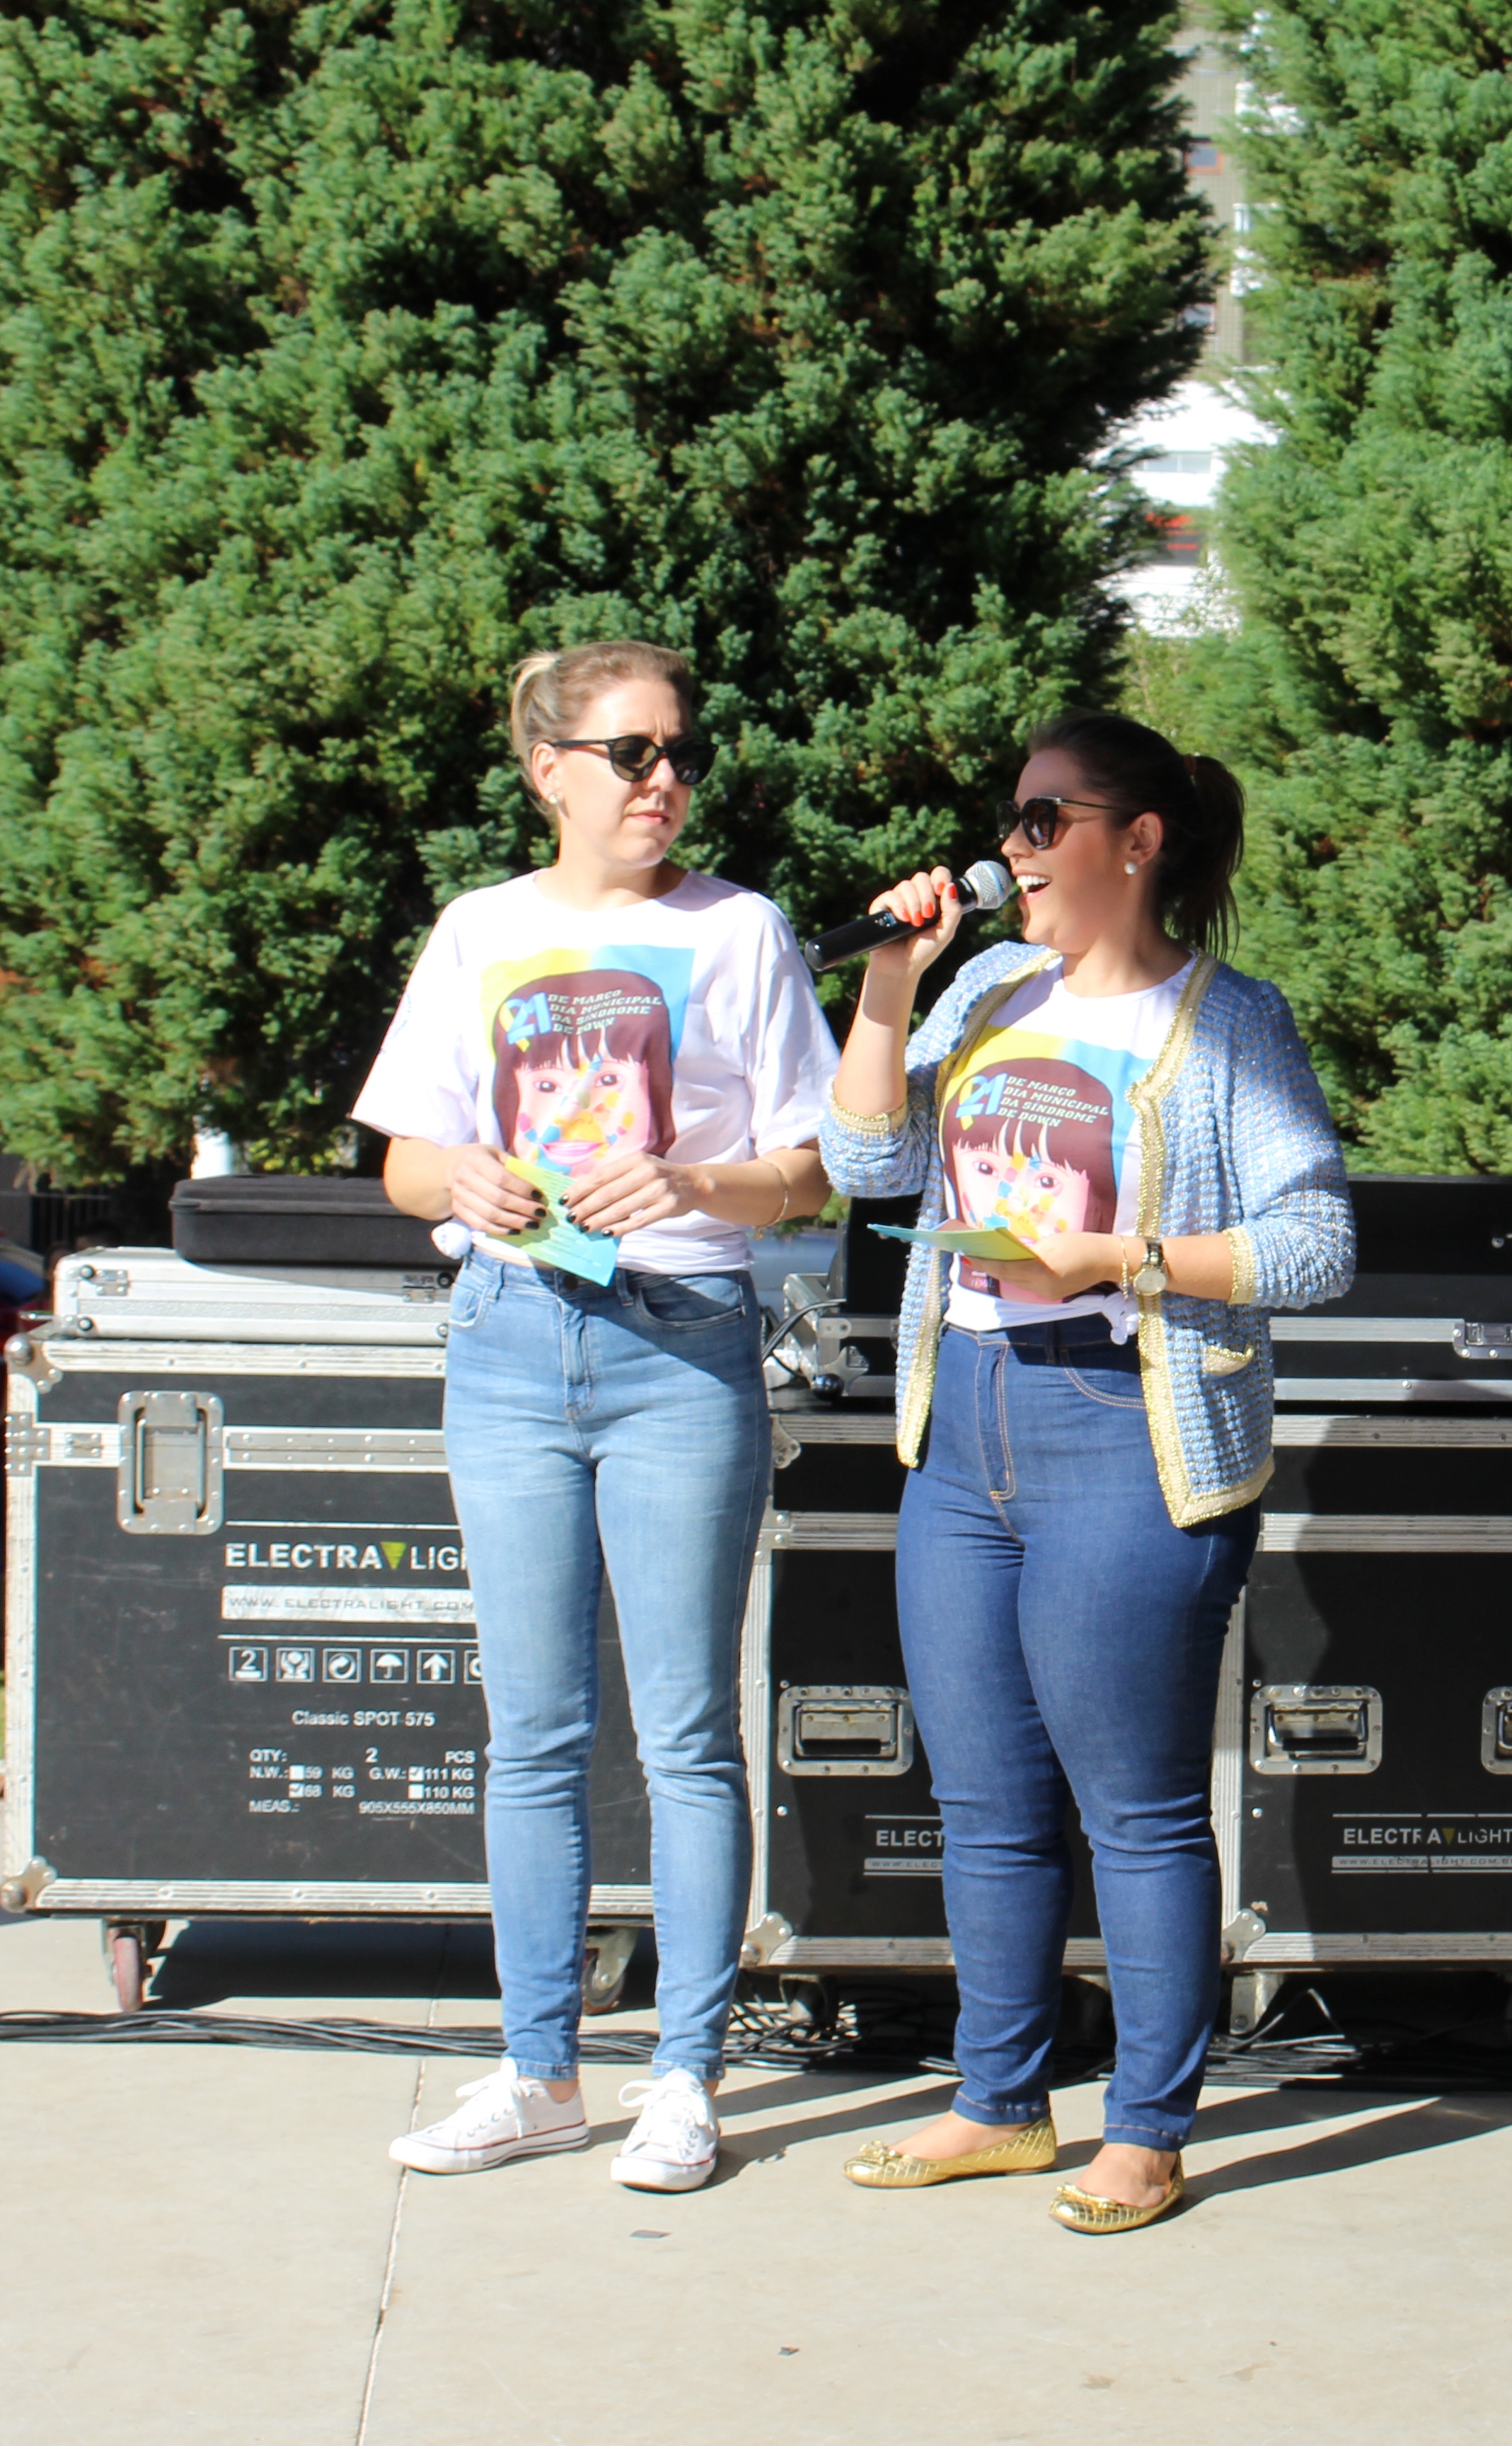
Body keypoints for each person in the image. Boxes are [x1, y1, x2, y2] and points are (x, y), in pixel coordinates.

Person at [821, 710, 1353, 2233]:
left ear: (1141, 840)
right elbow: (865, 1166)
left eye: (1046, 821)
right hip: (965, 1424)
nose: (1014, 847)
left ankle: (1148, 2130)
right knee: (984, 1801)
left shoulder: (1228, 1021)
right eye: (1014, 819)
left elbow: (1317, 1243)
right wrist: (889, 980)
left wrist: (1125, 1258)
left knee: (1135, 1808)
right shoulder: (988, 987)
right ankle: (998, 2105)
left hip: (1123, 1427)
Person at [354, 639, 836, 2193]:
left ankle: (684, 2077)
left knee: (686, 1732)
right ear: (548, 769)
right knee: (534, 1734)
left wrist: (693, 1181)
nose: (665, 780)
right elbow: (406, 1162)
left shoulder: (741, 931)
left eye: (681, 751)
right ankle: (539, 2072)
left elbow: (814, 1173)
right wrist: (462, 1175)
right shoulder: (480, 929)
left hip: (678, 1345)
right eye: (632, 754)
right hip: (507, 1339)